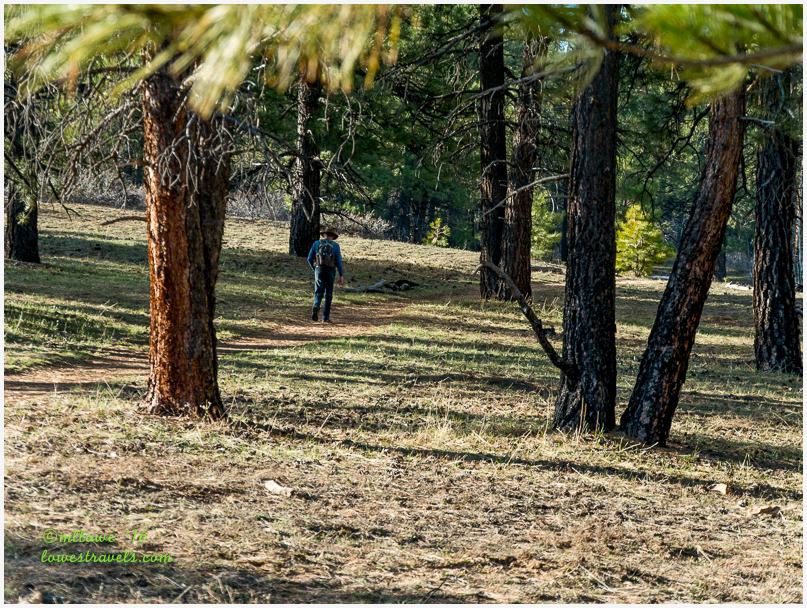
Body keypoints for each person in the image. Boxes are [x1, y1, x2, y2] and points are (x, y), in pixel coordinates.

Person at [306, 228, 344, 322]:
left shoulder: (316, 243)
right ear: (332, 236)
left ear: (324, 235)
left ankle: (316, 306)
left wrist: (315, 269)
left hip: (319, 269)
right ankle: (325, 318)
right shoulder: (335, 246)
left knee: (318, 291)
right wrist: (341, 274)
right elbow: (338, 261)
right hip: (330, 270)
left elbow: (309, 259)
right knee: (329, 294)